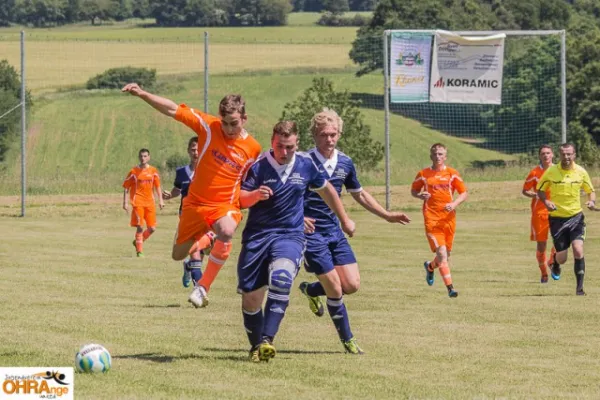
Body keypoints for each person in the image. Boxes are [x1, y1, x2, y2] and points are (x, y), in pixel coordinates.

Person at [122, 83, 262, 308]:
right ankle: (208, 237)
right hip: (194, 203)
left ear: (244, 118)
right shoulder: (208, 126)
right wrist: (142, 94)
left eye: (234, 123)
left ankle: (203, 287)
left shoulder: (253, 148)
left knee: (226, 230)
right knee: (178, 255)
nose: (228, 129)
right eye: (224, 123)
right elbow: (172, 109)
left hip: (224, 206)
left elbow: (248, 181)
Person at [238, 121, 355, 363]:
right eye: (280, 146)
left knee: (282, 278)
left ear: (297, 144)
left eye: (289, 147)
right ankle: (255, 345)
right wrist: (254, 195)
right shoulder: (258, 167)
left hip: (289, 236)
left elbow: (328, 191)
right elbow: (238, 199)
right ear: (272, 141)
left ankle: (267, 340)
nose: (284, 152)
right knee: (251, 300)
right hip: (257, 237)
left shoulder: (305, 165)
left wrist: (344, 219)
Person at [297, 108, 411, 355]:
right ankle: (348, 341)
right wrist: (299, 218)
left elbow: (359, 193)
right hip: (311, 234)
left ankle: (310, 289)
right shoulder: (303, 162)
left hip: (334, 232)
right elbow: (290, 195)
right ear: (315, 135)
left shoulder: (345, 162)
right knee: (336, 289)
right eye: (325, 134)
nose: (330, 139)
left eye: (334, 134)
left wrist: (387, 215)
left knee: (352, 285)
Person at [537, 143, 595, 296]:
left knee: (578, 249)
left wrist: (592, 201)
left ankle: (579, 288)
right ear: (560, 155)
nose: (566, 157)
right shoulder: (551, 171)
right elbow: (540, 189)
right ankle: (555, 262)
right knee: (562, 258)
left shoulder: (581, 172)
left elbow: (591, 191)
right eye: (564, 154)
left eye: (569, 154)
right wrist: (546, 202)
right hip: (557, 219)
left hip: (576, 217)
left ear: (574, 154)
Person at [410, 143, 468, 298]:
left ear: (445, 157)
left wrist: (454, 204)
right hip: (432, 218)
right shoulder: (423, 174)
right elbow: (413, 190)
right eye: (435, 154)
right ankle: (450, 289)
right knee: (442, 253)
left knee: (445, 256)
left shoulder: (452, 173)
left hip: (448, 219)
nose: (438, 157)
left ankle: (430, 267)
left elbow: (463, 193)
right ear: (431, 156)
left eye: (441, 154)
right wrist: (419, 195)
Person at [162, 136, 215, 289]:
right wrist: (169, 195)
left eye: (198, 149)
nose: (195, 152)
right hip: (186, 217)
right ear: (188, 151)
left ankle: (188, 268)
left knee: (201, 252)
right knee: (195, 254)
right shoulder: (181, 172)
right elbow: (178, 190)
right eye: (193, 149)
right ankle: (199, 290)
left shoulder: (209, 171)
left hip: (205, 217)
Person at [522, 145, 556, 283]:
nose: (546, 155)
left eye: (548, 153)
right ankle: (543, 273)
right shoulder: (535, 173)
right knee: (541, 245)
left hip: (556, 211)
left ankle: (552, 260)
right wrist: (536, 195)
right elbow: (525, 190)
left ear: (552, 154)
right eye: (543, 153)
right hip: (539, 213)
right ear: (539, 156)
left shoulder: (558, 170)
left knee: (560, 241)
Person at [122, 148, 164, 257]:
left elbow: (157, 186)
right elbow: (126, 187)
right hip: (138, 202)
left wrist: (161, 200)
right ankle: (139, 251)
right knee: (140, 226)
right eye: (141, 156)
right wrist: (125, 202)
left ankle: (138, 242)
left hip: (150, 202)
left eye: (145, 156)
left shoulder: (153, 171)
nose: (143, 158)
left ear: (149, 157)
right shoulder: (134, 172)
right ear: (139, 157)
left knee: (152, 228)